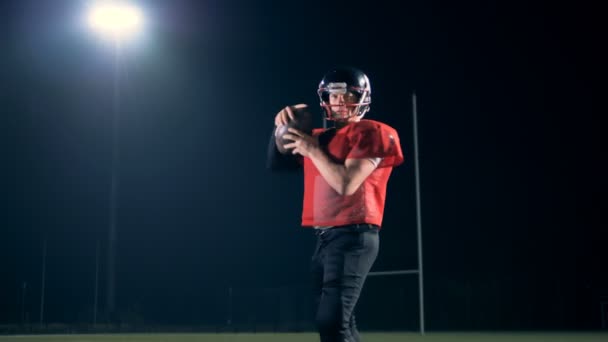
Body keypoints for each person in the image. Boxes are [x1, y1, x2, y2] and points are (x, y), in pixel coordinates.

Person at [267, 66, 404, 342]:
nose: (339, 102)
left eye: (348, 95)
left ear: (361, 98)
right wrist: (281, 125)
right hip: (324, 237)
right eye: (333, 95)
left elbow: (346, 184)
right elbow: (276, 161)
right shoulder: (318, 137)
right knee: (336, 323)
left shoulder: (373, 132)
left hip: (354, 235)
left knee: (332, 322)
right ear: (325, 99)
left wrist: (312, 150)